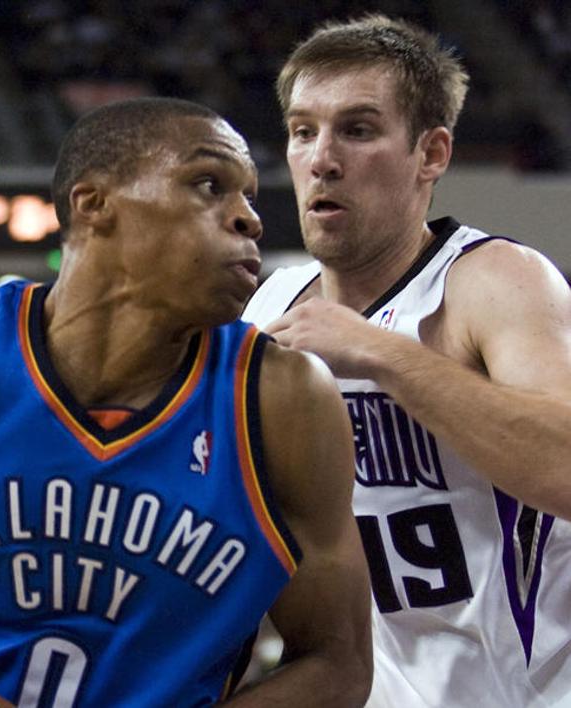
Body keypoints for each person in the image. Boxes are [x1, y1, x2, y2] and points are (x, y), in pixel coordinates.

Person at [0, 96, 372, 707]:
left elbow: (338, 660)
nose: (250, 219)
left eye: (248, 197)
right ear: (93, 204)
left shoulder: (282, 402)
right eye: (209, 185)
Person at [241, 15, 571, 708]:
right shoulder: (268, 305)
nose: (321, 159)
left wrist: (378, 350)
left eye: (357, 130)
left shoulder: (495, 280)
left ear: (431, 153)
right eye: (302, 131)